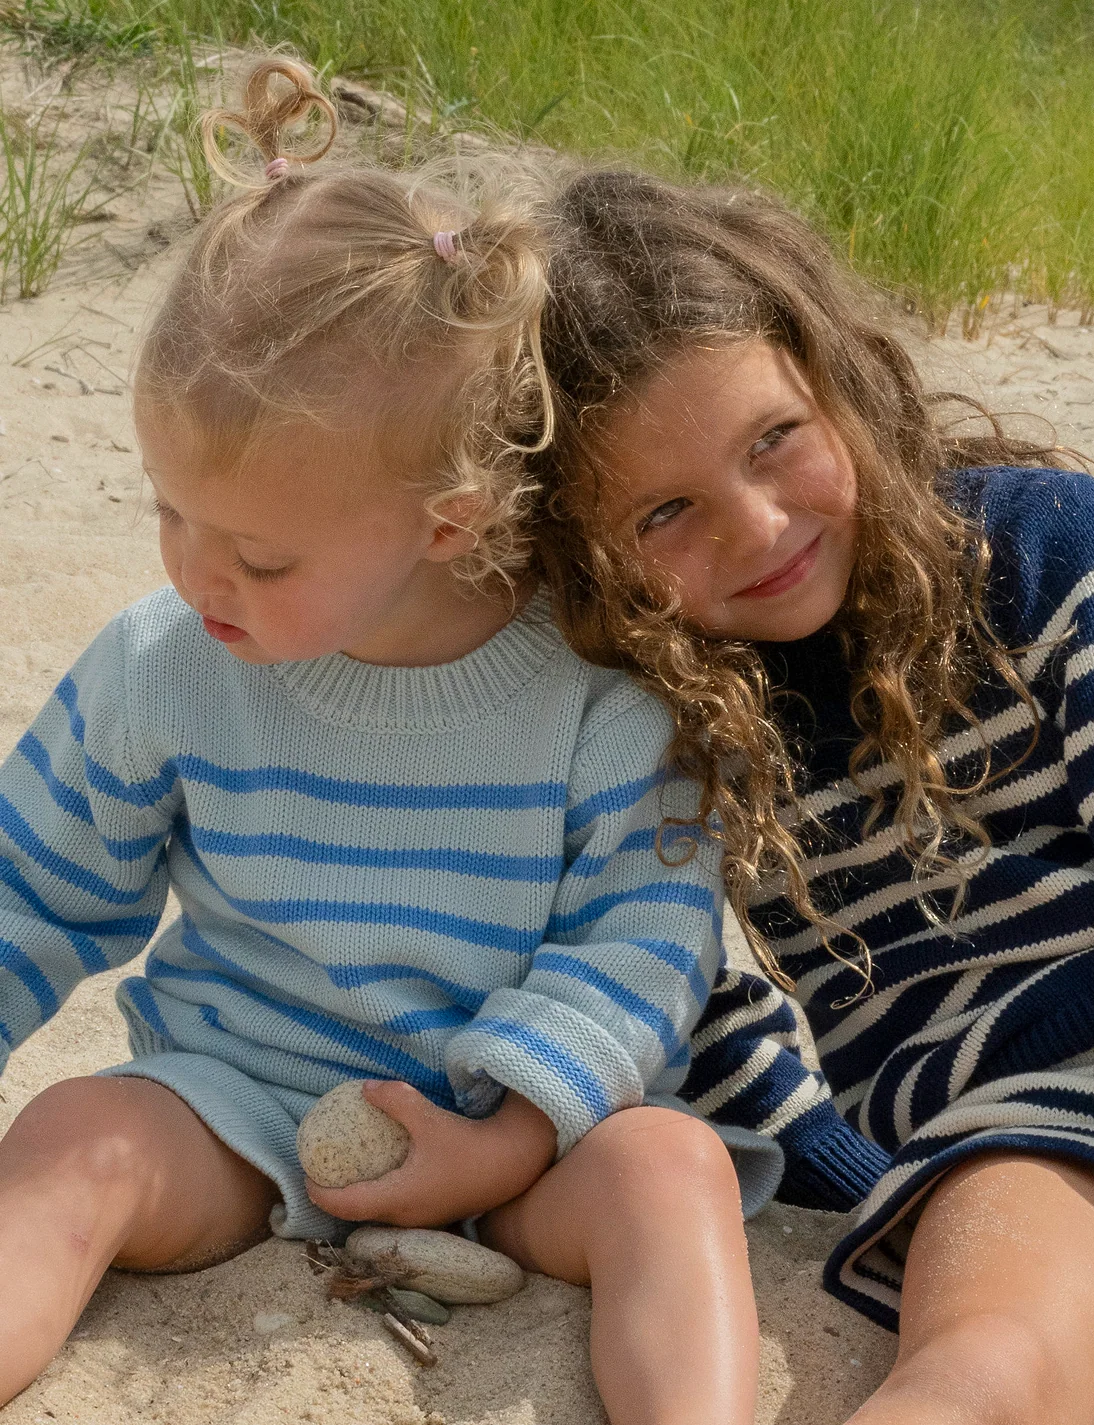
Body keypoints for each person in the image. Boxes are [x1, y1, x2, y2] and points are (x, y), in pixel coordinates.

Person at [0, 64, 859, 1423]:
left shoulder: (595, 691)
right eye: (171, 514)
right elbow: (26, 891)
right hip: (242, 1104)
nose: (200, 577)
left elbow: (642, 946)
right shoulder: (164, 665)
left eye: (262, 556)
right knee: (74, 1137)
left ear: (449, 525)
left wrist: (498, 1138)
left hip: (522, 1141)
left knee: (671, 1173)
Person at [526, 164, 1094, 1425]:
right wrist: (859, 1170)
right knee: (977, 1376)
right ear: (587, 550)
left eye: (774, 439)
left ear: (835, 374)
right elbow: (670, 988)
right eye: (666, 511)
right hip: (1021, 1116)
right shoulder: (660, 706)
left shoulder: (1046, 544)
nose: (755, 525)